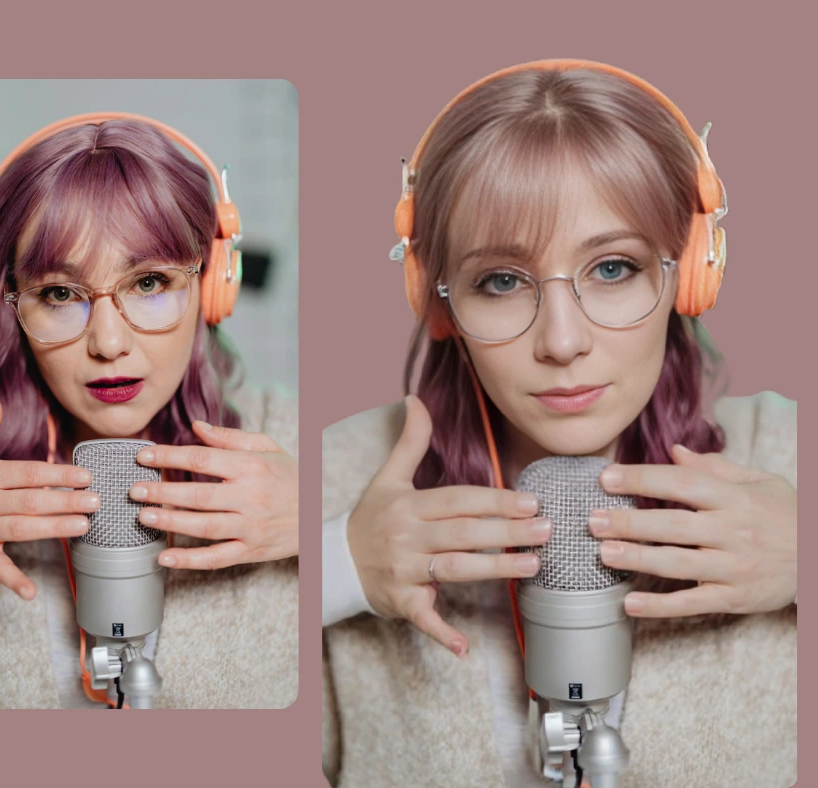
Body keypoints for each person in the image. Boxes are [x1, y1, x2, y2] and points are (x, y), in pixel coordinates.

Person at [321, 61, 796, 786]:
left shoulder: (788, 454)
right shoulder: (340, 475)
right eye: (502, 281)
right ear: (438, 299)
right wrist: (342, 567)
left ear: (692, 274)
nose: (563, 342)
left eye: (612, 268)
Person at [0, 115, 298, 709]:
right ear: (3, 302)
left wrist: (316, 530)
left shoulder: (298, 446)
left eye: (148, 282)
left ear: (215, 286)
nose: (109, 343)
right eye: (60, 294)